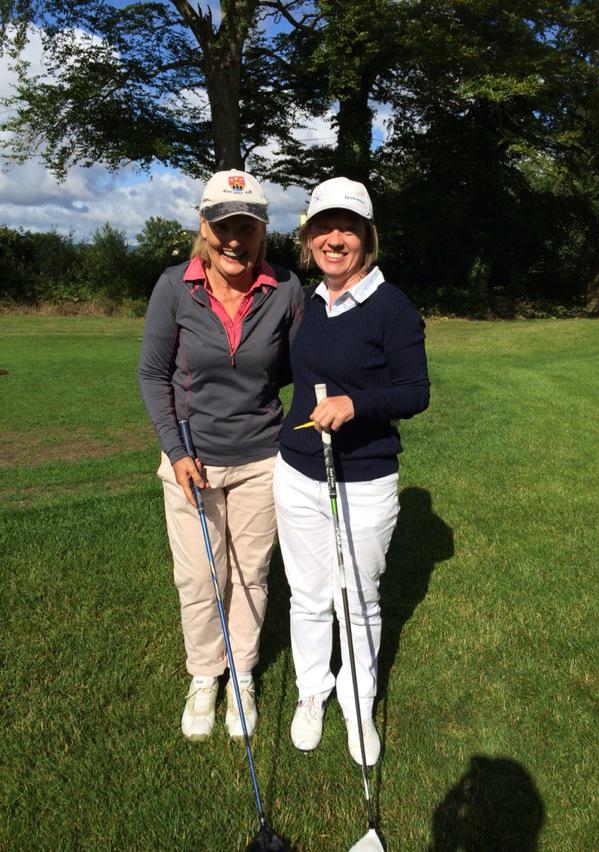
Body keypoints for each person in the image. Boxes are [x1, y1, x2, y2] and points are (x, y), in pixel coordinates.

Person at [138, 169, 303, 742]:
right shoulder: (172, 286)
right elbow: (152, 373)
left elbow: (298, 370)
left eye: (248, 227)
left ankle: (243, 674)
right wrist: (175, 450)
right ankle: (205, 675)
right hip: (191, 462)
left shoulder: (286, 288)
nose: (236, 239)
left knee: (251, 575)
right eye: (224, 225)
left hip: (262, 458)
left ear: (263, 233)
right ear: (204, 228)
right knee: (200, 578)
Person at [273, 177, 430, 766]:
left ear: (367, 237)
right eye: (323, 227)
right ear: (308, 234)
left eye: (348, 229)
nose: (334, 240)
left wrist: (355, 403)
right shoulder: (308, 300)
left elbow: (415, 391)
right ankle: (313, 692)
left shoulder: (393, 307)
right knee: (309, 597)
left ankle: (357, 703)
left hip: (363, 477)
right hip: (297, 472)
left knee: (358, 600)